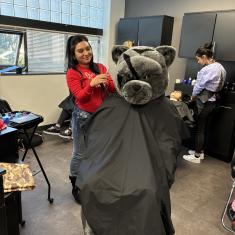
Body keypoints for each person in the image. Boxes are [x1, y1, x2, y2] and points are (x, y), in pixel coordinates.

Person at [65, 35, 116, 203]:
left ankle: (91, 180)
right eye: (80, 51)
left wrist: (108, 81)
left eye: (88, 49)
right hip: (82, 117)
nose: (86, 53)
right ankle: (75, 185)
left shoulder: (100, 67)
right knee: (80, 152)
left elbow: (112, 91)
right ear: (73, 55)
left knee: (96, 152)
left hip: (100, 117)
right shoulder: (73, 73)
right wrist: (91, 84)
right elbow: (80, 97)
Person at [183, 42, 226, 164]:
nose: (198, 62)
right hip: (214, 101)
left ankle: (196, 156)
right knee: (204, 127)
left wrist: (192, 97)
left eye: (198, 59)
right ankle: (200, 152)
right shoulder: (220, 67)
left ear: (204, 57)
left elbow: (198, 87)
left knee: (200, 129)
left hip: (205, 103)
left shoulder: (206, 70)